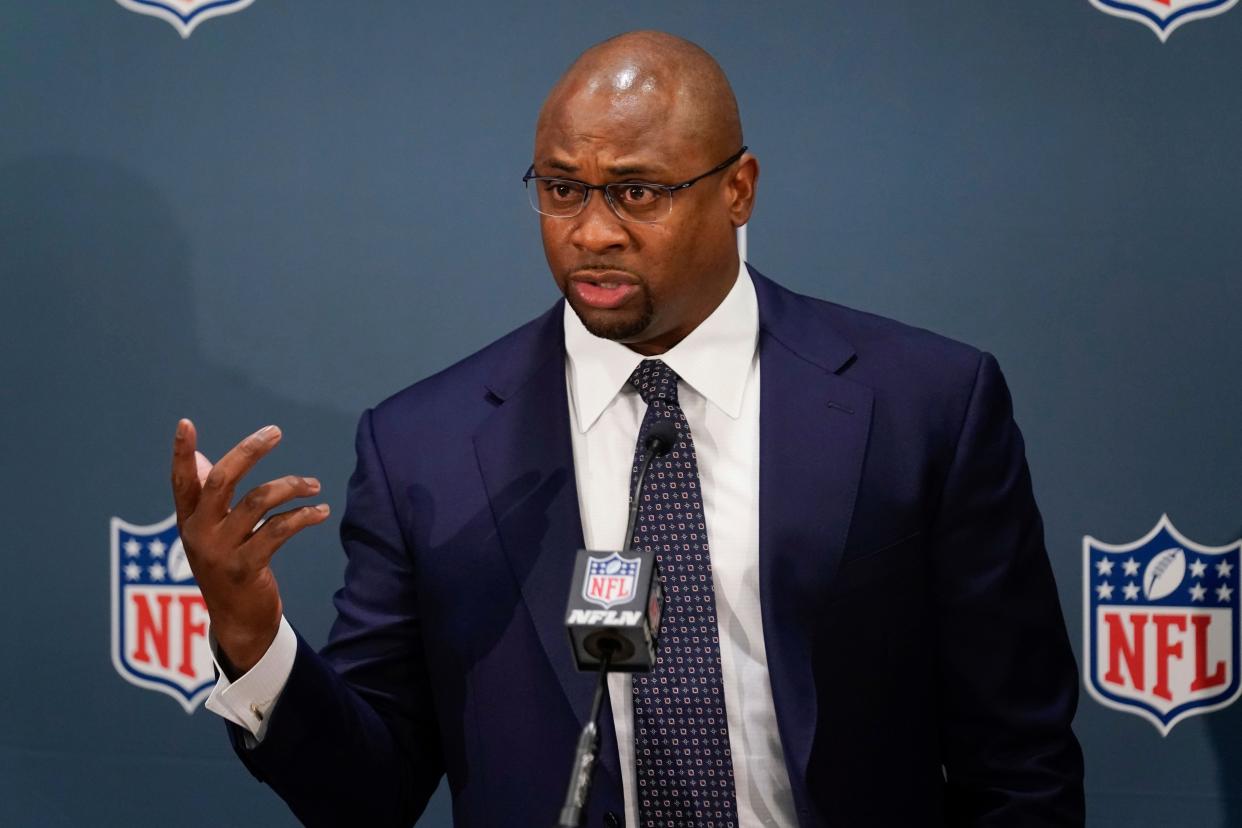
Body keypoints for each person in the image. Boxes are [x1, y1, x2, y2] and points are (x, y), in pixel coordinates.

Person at [171, 30, 1084, 828]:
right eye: (562, 189)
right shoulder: (426, 447)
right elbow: (366, 795)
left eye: (637, 193)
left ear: (738, 190)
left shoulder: (924, 405)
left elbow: (1019, 760)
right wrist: (253, 639)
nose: (591, 232)